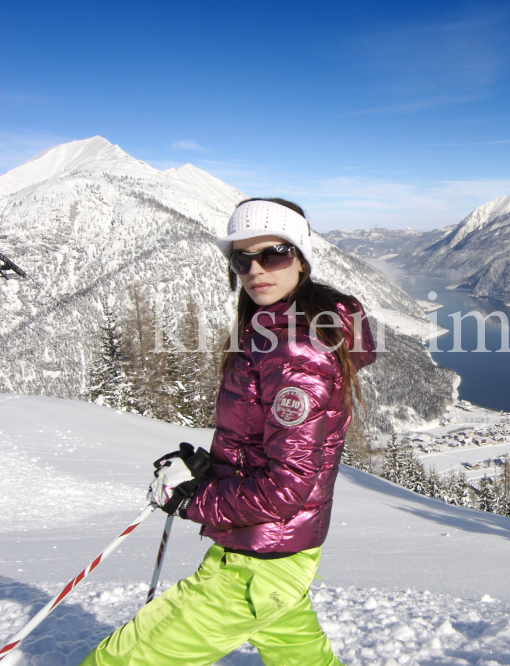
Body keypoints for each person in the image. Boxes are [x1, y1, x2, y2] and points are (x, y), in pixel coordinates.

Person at [82, 198, 376, 665]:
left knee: (120, 659)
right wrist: (211, 471)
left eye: (274, 253)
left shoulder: (296, 351)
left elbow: (286, 487)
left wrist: (191, 499)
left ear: (301, 257)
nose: (256, 269)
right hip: (278, 553)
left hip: (256, 563)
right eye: (242, 258)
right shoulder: (272, 332)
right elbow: (266, 448)